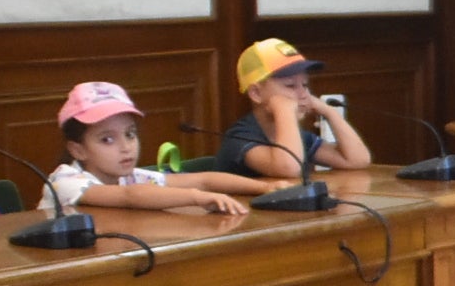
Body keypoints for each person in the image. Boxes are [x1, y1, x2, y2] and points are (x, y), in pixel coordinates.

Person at [50, 82, 268, 217]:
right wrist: (197, 198)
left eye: (130, 134)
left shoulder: (131, 176)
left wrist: (266, 187)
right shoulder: (65, 180)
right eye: (107, 139)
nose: (126, 147)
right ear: (78, 150)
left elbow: (205, 180)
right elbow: (129, 196)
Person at [221, 38, 371, 182]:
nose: (303, 94)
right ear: (256, 93)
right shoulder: (240, 136)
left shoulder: (299, 137)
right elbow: (288, 168)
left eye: (304, 85)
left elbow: (357, 160)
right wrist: (285, 111)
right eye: (290, 86)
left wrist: (329, 111)